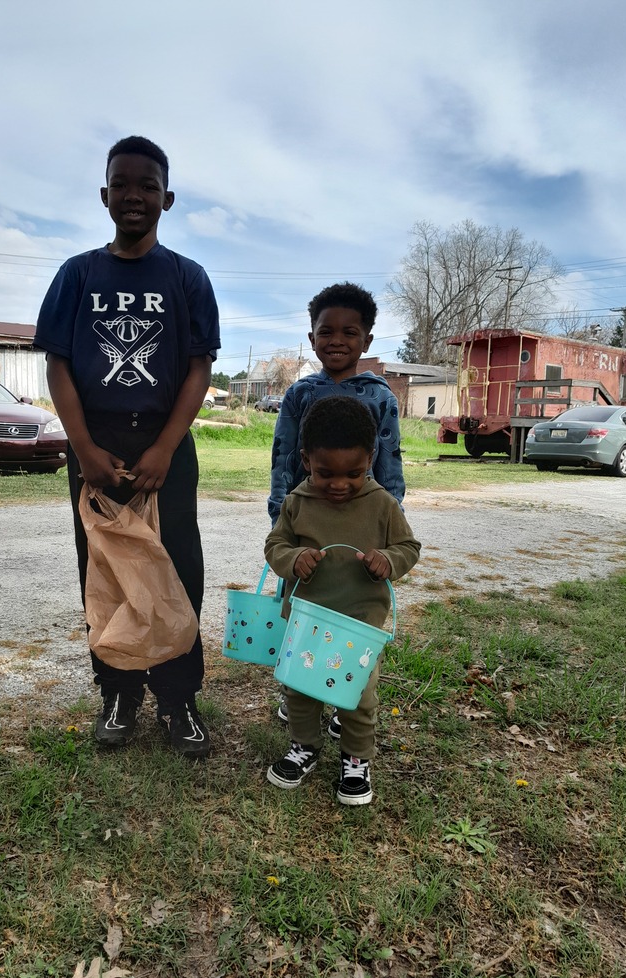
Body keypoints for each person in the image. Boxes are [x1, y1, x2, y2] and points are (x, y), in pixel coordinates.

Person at [33, 135, 220, 758]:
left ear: (166, 198)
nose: (133, 195)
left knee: (175, 566)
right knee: (103, 567)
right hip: (96, 447)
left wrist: (168, 445)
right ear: (104, 194)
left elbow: (198, 368)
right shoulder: (78, 274)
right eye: (122, 183)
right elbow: (57, 366)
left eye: (147, 185)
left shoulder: (187, 278)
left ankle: (178, 699)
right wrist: (81, 444)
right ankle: (117, 692)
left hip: (164, 445)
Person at [264, 396, 421, 805]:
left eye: (353, 473)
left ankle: (355, 759)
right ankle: (306, 745)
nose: (338, 484)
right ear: (305, 459)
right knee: (299, 689)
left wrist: (388, 560)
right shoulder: (297, 502)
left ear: (371, 457)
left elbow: (409, 546)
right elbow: (275, 543)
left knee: (357, 696)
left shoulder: (383, 505)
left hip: (359, 623)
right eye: (324, 473)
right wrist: (292, 558)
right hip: (305, 618)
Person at [268, 282, 406, 734]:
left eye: (350, 333)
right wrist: (281, 511)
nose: (337, 341)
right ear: (312, 338)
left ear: (367, 340)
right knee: (302, 610)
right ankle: (302, 694)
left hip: (362, 521)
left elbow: (389, 460)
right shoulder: (299, 395)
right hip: (308, 518)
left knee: (352, 615)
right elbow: (284, 454)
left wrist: (388, 515)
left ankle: (345, 694)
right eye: (326, 332)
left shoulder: (381, 396)